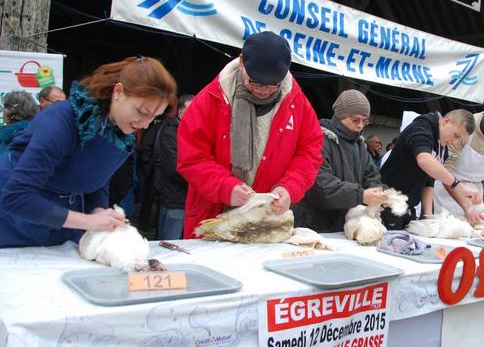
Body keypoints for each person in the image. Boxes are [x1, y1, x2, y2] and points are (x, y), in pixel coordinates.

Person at [0, 57, 176, 247]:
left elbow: (98, 180)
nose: (145, 124)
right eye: (142, 111)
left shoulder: (119, 132)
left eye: (154, 117)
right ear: (118, 91)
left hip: (60, 231)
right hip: (12, 224)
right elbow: (16, 197)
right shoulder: (59, 122)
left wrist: (98, 210)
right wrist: (86, 221)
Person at [178, 31, 323, 238]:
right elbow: (192, 158)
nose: (263, 90)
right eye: (255, 82)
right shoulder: (209, 99)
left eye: (273, 85)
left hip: (266, 221)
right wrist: (225, 187)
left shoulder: (298, 103)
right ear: (241, 63)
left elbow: (310, 153)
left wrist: (290, 187)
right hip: (212, 217)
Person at [293, 90, 386, 232]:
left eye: (364, 121)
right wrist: (361, 195)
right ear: (340, 116)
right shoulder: (317, 139)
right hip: (311, 225)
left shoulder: (359, 146)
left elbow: (371, 176)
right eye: (355, 120)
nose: (360, 125)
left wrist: (379, 192)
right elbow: (321, 186)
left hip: (341, 225)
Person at [380, 109, 480, 228]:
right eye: (456, 136)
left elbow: (428, 180)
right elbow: (424, 160)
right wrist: (458, 186)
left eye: (460, 140)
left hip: (407, 207)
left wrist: (428, 216)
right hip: (386, 202)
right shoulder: (421, 128)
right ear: (445, 121)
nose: (455, 142)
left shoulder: (441, 147)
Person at [153, 94, 194, 240]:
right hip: (175, 199)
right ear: (181, 112)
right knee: (170, 245)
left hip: (192, 198)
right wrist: (201, 182)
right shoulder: (169, 132)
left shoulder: (196, 131)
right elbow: (174, 167)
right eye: (192, 110)